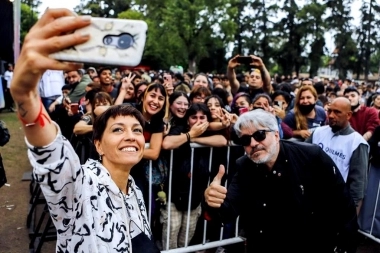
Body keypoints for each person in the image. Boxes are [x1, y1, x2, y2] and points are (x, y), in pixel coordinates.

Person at [10, 9, 159, 252]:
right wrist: (25, 95)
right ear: (98, 144)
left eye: (136, 130)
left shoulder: (136, 192)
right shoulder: (80, 186)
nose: (131, 136)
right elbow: (52, 153)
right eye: (118, 129)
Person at [204, 109, 358, 253]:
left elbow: (343, 204)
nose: (253, 144)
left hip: (309, 244)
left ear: (276, 135)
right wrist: (212, 202)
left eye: (260, 135)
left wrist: (345, 247)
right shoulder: (244, 166)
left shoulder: (311, 157)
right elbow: (227, 211)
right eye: (245, 140)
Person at [305, 97, 369, 214]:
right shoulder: (318, 132)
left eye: (337, 112)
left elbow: (358, 185)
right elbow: (302, 157)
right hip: (310, 198)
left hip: (334, 206)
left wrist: (351, 218)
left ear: (349, 115)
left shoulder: (357, 143)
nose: (331, 115)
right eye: (329, 111)